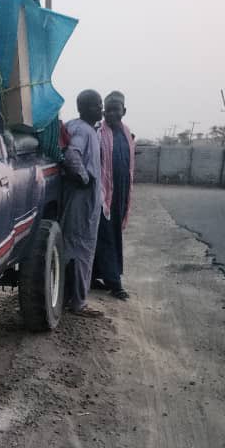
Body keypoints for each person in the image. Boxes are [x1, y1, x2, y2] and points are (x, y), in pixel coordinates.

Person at [61, 89, 105, 318]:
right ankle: (77, 302)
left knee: (80, 248)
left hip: (86, 202)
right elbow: (72, 155)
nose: (101, 109)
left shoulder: (88, 130)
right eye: (97, 105)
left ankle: (71, 298)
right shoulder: (82, 130)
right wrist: (84, 177)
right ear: (86, 107)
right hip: (80, 201)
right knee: (79, 249)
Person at [93, 91, 136, 300]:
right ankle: (114, 282)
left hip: (120, 195)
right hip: (103, 196)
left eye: (115, 110)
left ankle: (95, 276)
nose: (110, 114)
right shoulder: (98, 133)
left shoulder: (127, 134)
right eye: (107, 110)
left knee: (111, 235)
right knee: (106, 237)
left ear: (124, 111)